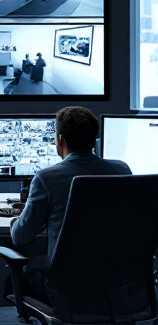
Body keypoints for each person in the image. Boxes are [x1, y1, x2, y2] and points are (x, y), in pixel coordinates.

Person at [8, 107, 131, 303]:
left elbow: (21, 237)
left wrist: (17, 218)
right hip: (117, 287)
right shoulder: (122, 170)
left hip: (67, 290)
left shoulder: (46, 178)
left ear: (61, 140)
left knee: (15, 279)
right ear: (94, 139)